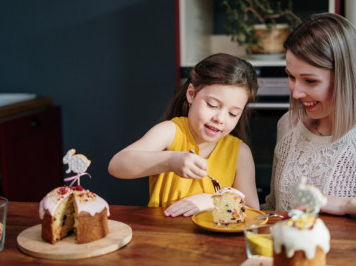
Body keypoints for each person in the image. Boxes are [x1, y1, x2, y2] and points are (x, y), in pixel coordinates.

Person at [261, 13, 356, 227]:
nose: (296, 93)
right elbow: (275, 206)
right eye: (291, 76)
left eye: (310, 81)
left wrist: (348, 204)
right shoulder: (288, 124)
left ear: (345, 77)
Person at [109, 53, 260, 217]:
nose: (220, 119)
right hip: (165, 236)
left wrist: (214, 200)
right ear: (191, 94)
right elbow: (117, 165)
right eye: (212, 105)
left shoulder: (240, 153)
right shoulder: (170, 132)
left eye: (232, 114)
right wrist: (170, 161)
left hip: (216, 241)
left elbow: (253, 210)